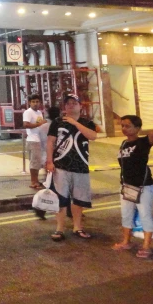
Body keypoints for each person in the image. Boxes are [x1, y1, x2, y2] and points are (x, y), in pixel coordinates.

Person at [112, 115, 153, 258]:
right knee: (126, 215)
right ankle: (126, 241)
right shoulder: (124, 144)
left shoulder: (143, 142)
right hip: (127, 186)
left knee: (145, 215)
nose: (124, 128)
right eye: (122, 125)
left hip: (143, 187)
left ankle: (146, 247)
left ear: (137, 128)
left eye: (128, 126)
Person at [45, 94, 97, 242]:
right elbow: (50, 142)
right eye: (68, 103)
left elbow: (92, 136)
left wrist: (75, 123)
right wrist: (49, 161)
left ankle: (77, 227)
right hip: (61, 166)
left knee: (79, 200)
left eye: (74, 103)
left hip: (81, 166)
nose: (71, 105)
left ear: (80, 106)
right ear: (64, 107)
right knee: (60, 199)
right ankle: (59, 229)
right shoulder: (57, 122)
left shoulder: (87, 122)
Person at [23, 94, 50, 190]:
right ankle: (33, 181)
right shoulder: (28, 112)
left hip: (39, 139)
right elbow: (26, 124)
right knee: (34, 162)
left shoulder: (39, 112)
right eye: (33, 102)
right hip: (32, 140)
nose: (35, 104)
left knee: (38, 161)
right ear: (29, 103)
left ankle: (36, 180)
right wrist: (40, 123)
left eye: (37, 102)